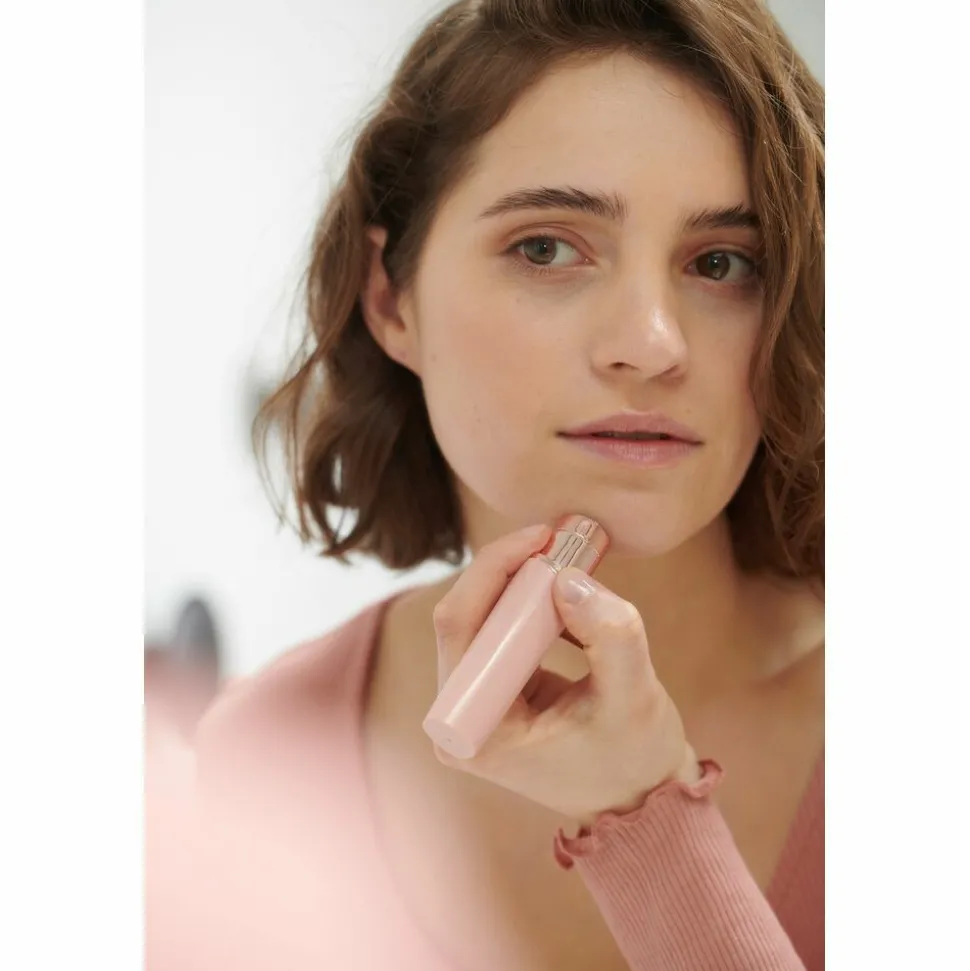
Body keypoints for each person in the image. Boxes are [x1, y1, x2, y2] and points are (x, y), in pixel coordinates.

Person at [166, 1, 825, 968]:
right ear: (390, 298)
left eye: (722, 263)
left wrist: (646, 814)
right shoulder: (270, 750)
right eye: (547, 248)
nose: (652, 344)